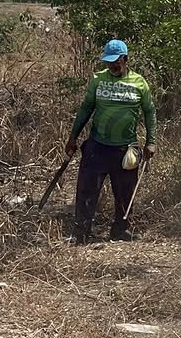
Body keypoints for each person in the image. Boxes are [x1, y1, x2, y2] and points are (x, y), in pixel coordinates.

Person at [65, 40, 156, 244]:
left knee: (125, 193)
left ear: (125, 59)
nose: (112, 66)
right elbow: (86, 109)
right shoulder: (98, 80)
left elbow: (149, 112)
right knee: (87, 190)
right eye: (108, 62)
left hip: (125, 149)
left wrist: (151, 141)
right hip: (97, 146)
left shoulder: (139, 82)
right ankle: (81, 232)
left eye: (116, 61)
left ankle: (120, 230)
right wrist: (73, 137)